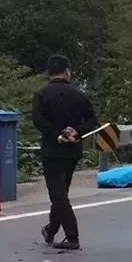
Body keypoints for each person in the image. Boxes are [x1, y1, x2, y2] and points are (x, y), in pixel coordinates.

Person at [32, 54, 98, 250]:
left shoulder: (41, 95)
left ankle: (72, 237)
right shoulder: (78, 94)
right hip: (72, 151)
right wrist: (76, 131)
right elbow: (93, 120)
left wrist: (58, 135)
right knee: (61, 194)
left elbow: (38, 120)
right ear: (67, 72)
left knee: (58, 196)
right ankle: (51, 230)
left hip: (52, 151)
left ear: (48, 73)